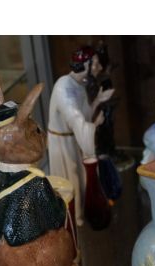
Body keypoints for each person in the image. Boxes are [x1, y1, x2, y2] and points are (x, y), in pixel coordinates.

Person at [48, 46, 114, 225]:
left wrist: (99, 100)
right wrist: (95, 125)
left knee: (82, 178)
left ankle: (83, 212)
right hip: (63, 143)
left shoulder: (79, 84)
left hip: (74, 139)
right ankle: (74, 217)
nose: (98, 68)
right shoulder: (64, 88)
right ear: (84, 65)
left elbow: (83, 115)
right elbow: (77, 120)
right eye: (95, 64)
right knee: (72, 179)